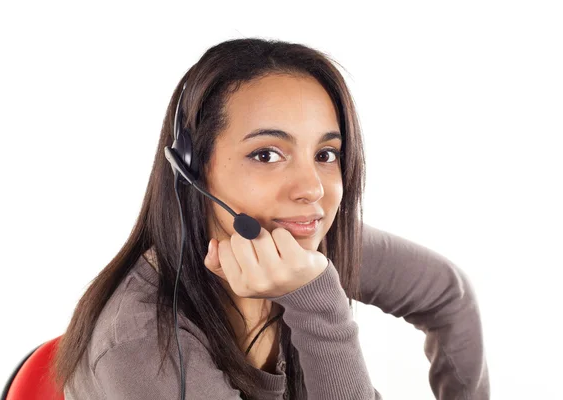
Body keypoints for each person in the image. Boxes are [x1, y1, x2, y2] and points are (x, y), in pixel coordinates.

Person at [51, 38, 490, 399]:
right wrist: (318, 304)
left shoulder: (304, 243)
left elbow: (449, 297)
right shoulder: (143, 349)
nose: (312, 189)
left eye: (326, 154)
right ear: (191, 168)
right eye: (266, 154)